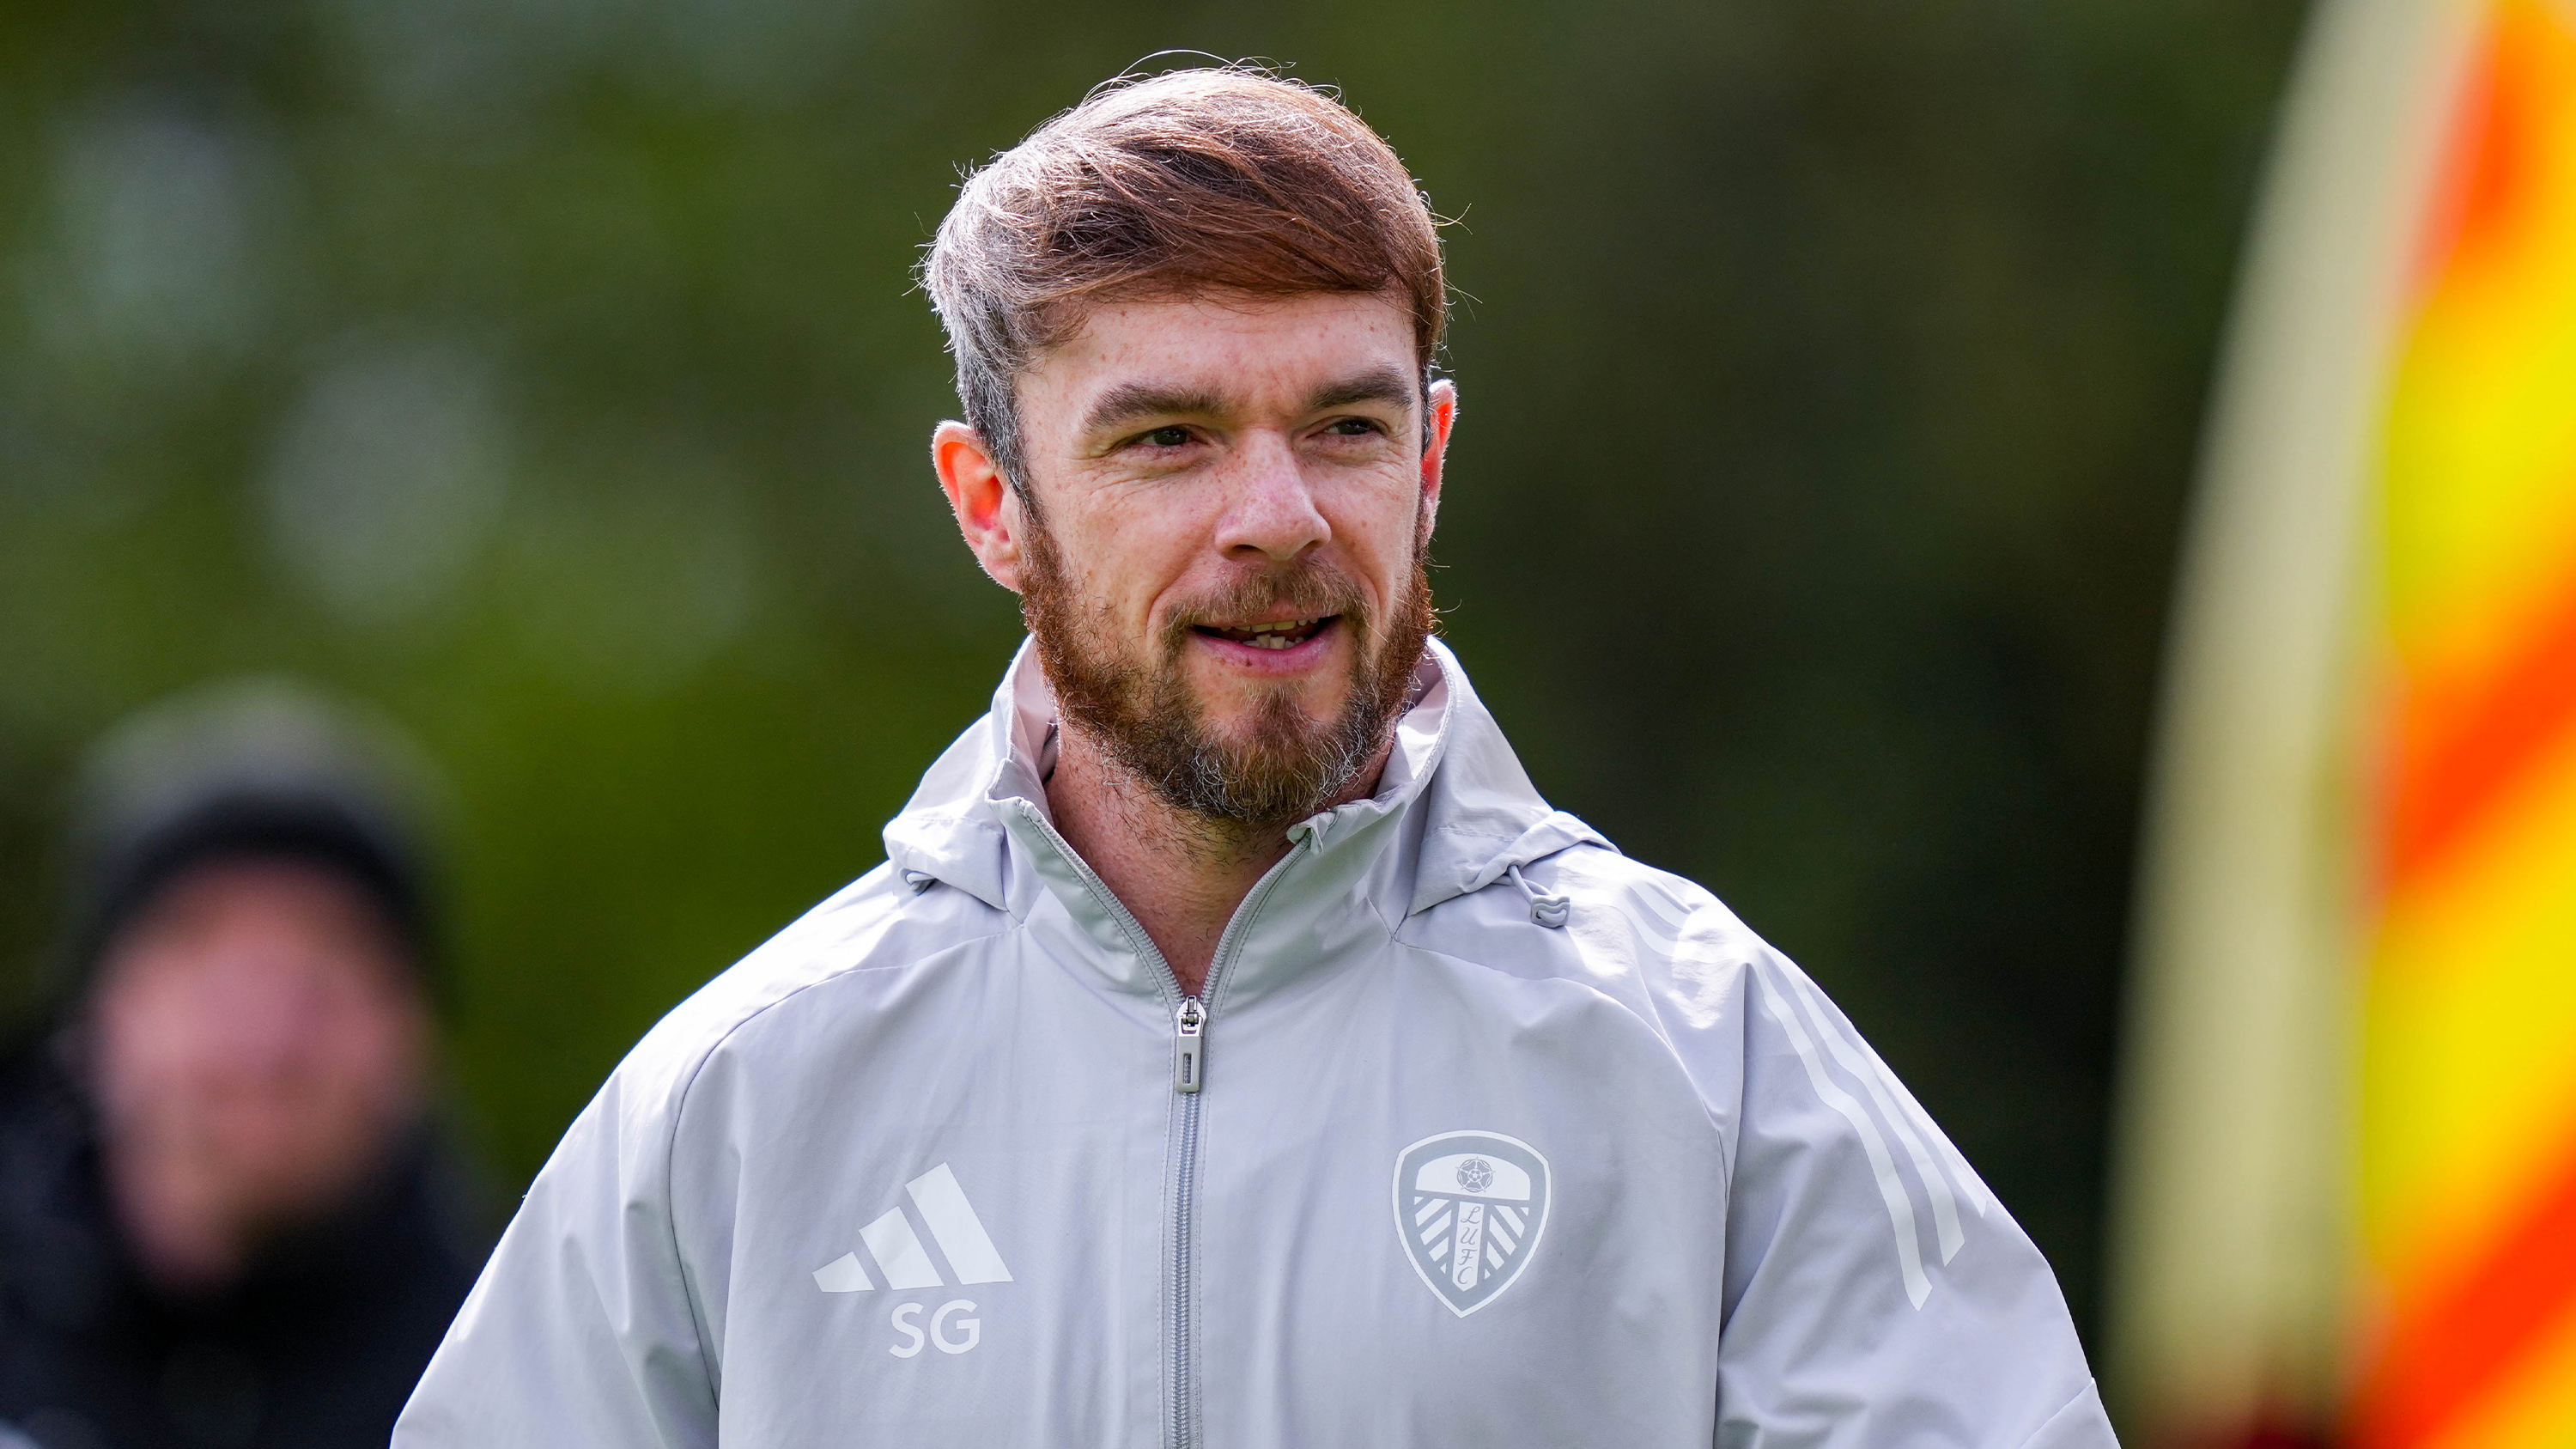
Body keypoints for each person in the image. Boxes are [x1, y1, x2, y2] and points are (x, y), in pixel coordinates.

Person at [397, 69, 2117, 1446]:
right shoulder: (746, 1104)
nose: (1277, 520)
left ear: (1431, 459)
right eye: (1168, 439)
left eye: (1346, 427)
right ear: (993, 506)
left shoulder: (1713, 1058)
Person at [0, 682, 485, 1449]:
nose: (264, 1024)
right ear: (95, 1010)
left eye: (328, 952)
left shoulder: (523, 1365)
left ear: (412, 1030)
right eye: (197, 943)